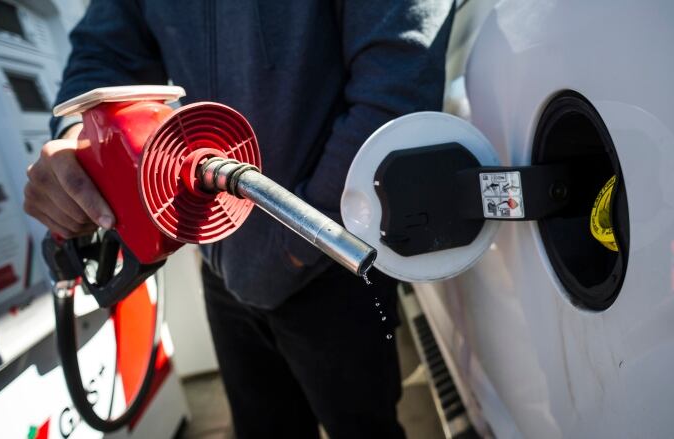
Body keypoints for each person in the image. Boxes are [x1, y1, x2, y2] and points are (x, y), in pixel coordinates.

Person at [24, 1, 454, 437]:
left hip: (330, 260)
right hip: (221, 263)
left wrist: (288, 247)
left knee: (363, 426)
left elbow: (396, 89)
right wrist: (80, 141)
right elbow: (104, 55)